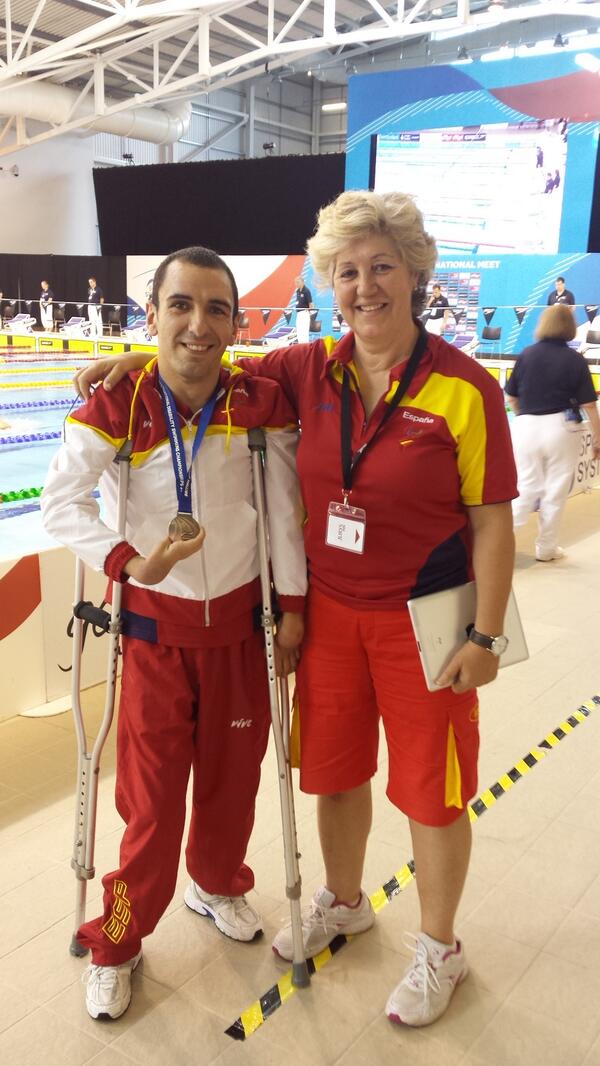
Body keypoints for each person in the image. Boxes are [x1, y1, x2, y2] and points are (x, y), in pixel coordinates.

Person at [74, 191, 517, 1029]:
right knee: (337, 776)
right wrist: (141, 362)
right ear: (330, 285)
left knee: (431, 794)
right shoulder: (308, 366)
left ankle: (439, 949)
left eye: (382, 267)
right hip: (329, 618)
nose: (364, 286)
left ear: (416, 275)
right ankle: (343, 901)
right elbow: (204, 362)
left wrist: (486, 635)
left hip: (427, 618)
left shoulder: (465, 389)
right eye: (347, 271)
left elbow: (493, 522)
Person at [42, 246, 306, 1021]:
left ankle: (217, 882)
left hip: (240, 632)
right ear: (150, 314)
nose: (198, 324)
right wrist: (129, 563)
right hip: (154, 639)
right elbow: (61, 505)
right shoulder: (116, 407)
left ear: (235, 321)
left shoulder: (260, 402)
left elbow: (283, 512)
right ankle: (118, 939)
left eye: (216, 308)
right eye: (180, 306)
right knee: (152, 808)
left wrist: (292, 609)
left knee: (234, 784)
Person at [505, 303, 600, 561]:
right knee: (555, 490)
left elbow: (511, 396)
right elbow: (589, 404)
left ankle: (501, 546)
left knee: (524, 487)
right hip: (560, 427)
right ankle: (546, 549)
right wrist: (598, 438)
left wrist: (525, 413)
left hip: (525, 426)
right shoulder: (575, 359)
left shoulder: (526, 354)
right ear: (569, 327)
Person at [294, 275, 314, 344]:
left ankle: (305, 347)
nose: (296, 284)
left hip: (305, 313)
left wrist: (309, 311)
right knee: (299, 331)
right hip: (299, 313)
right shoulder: (297, 291)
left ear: (302, 282)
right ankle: (300, 346)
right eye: (295, 282)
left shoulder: (306, 291)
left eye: (298, 282)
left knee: (304, 331)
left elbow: (311, 304)